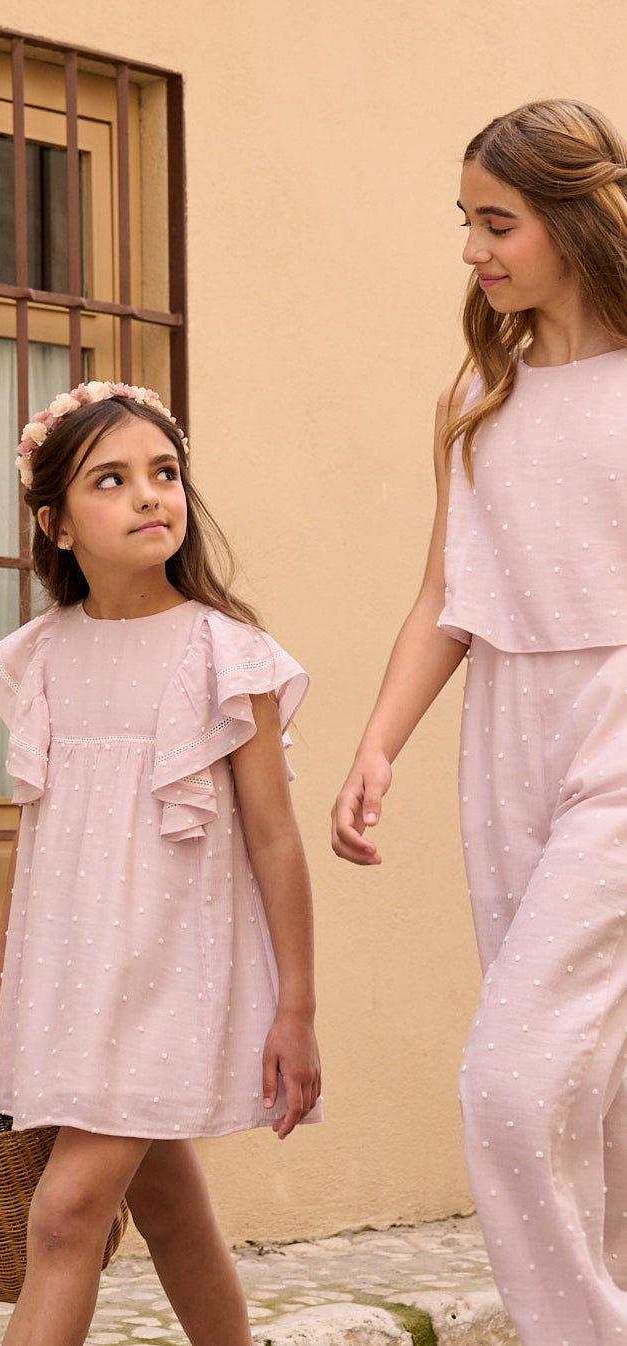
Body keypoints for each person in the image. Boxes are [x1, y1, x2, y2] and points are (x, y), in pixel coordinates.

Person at [332, 98, 627, 1345]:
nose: (472, 249)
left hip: (621, 729)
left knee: (511, 1081)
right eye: (466, 221)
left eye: (497, 223)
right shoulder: (479, 389)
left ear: (575, 219)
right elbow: (445, 597)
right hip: (507, 735)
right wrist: (378, 743)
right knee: (594, 1097)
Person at [0, 380, 321, 1346]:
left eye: (162, 473)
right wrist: (0, 982)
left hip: (170, 979)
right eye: (110, 480)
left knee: (64, 1214)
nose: (148, 495)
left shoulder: (226, 656)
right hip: (73, 983)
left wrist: (294, 1007)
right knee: (164, 1206)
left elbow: (274, 839)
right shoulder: (39, 658)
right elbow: (36, 834)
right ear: (56, 524)